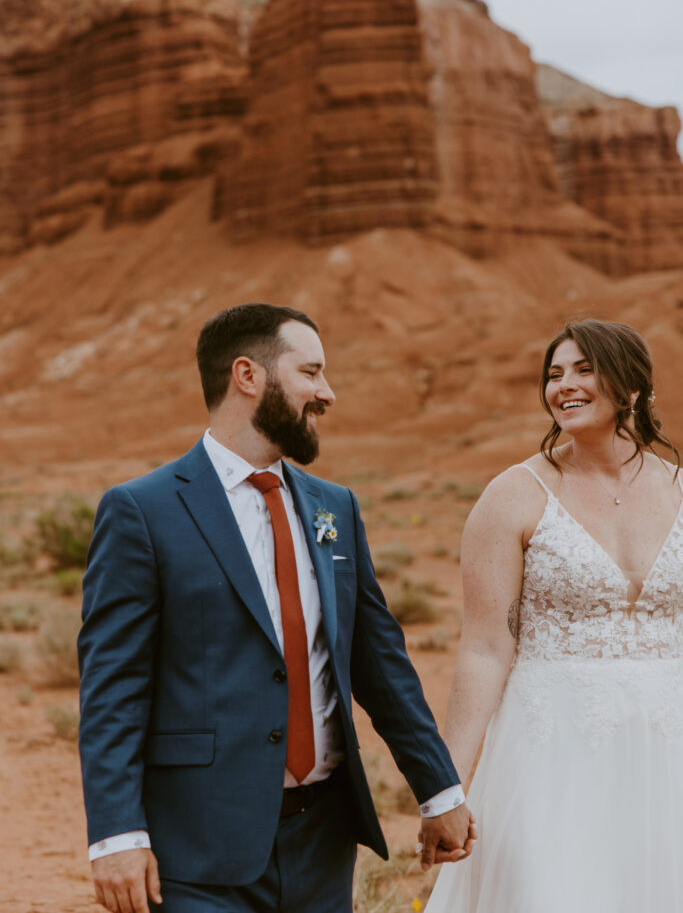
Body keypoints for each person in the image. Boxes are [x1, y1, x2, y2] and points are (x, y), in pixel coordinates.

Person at [78, 302, 476, 913]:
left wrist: (439, 792)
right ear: (248, 376)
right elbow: (113, 687)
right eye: (311, 373)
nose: (328, 393)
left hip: (323, 840)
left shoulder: (333, 507)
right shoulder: (143, 511)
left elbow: (379, 662)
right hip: (196, 848)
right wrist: (115, 834)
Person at [426, 318, 683, 913]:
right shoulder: (514, 494)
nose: (563, 384)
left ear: (633, 387)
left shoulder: (677, 489)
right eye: (554, 373)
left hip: (667, 751)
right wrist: (445, 788)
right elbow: (484, 650)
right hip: (553, 754)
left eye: (584, 368)